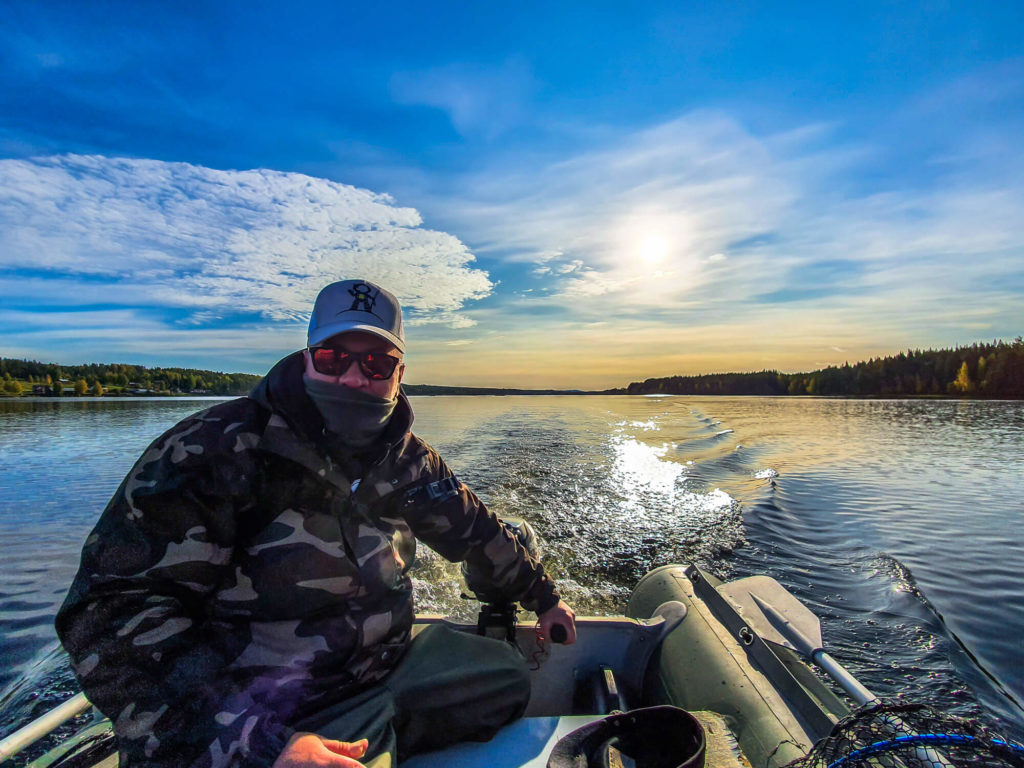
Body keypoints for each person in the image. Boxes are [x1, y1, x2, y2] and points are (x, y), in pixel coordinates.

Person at [56, 279, 576, 768]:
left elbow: (476, 532)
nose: (354, 377)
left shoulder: (412, 462)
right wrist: (257, 742)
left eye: (376, 362)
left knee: (505, 676)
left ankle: (377, 730)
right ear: (307, 360)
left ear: (399, 373)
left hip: (383, 671)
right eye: (334, 358)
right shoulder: (211, 450)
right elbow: (107, 612)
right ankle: (359, 739)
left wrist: (544, 597)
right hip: (261, 709)